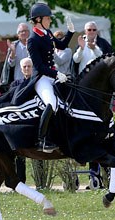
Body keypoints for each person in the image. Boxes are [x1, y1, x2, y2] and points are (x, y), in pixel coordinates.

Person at [27, 2, 75, 153]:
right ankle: (42, 140)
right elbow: (39, 66)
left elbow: (61, 46)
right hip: (41, 78)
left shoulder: (47, 33)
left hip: (52, 75)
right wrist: (56, 74)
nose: (50, 20)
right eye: (48, 18)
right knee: (52, 103)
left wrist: (71, 32)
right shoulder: (32, 39)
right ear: (39, 19)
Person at [72, 21, 112, 188]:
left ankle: (97, 173)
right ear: (85, 30)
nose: (92, 32)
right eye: (89, 29)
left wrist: (93, 47)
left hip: (99, 91)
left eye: (94, 29)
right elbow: (75, 59)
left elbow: (104, 59)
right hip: (83, 90)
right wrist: (82, 47)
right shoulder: (80, 41)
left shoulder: (102, 43)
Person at [0, 23, 30, 92]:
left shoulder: (33, 45)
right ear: (18, 35)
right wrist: (13, 52)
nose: (24, 33)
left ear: (29, 33)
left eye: (26, 31)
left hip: (32, 79)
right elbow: (11, 64)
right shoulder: (14, 46)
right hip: (18, 80)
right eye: (22, 31)